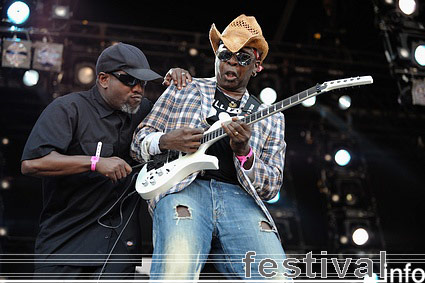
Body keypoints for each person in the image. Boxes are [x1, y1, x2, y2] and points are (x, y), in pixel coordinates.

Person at [131, 15, 289, 280]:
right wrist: (167, 140)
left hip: (241, 200)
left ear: (257, 65)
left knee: (276, 276)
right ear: (216, 55)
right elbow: (138, 142)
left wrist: (245, 153)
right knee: (176, 272)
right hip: (185, 189)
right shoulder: (184, 88)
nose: (232, 63)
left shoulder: (271, 117)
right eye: (226, 54)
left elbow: (272, 185)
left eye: (243, 59)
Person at [20, 42, 191, 279]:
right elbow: (32, 163)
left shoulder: (144, 112)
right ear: (103, 79)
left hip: (119, 246)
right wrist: (94, 162)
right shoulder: (68, 109)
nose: (138, 89)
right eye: (129, 80)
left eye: (142, 83)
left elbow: (180, 130)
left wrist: (180, 85)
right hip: (66, 243)